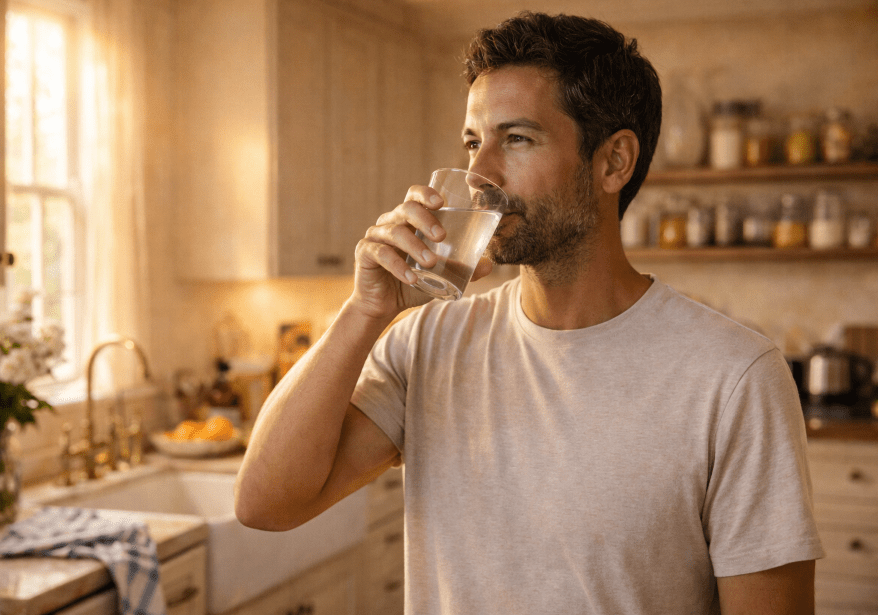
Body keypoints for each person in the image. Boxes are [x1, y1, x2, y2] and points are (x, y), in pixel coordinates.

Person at [235, 12, 823, 614]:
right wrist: (364, 309)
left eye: (516, 138)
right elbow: (265, 504)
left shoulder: (735, 377)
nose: (479, 174)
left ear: (613, 162)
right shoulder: (426, 342)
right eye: (472, 141)